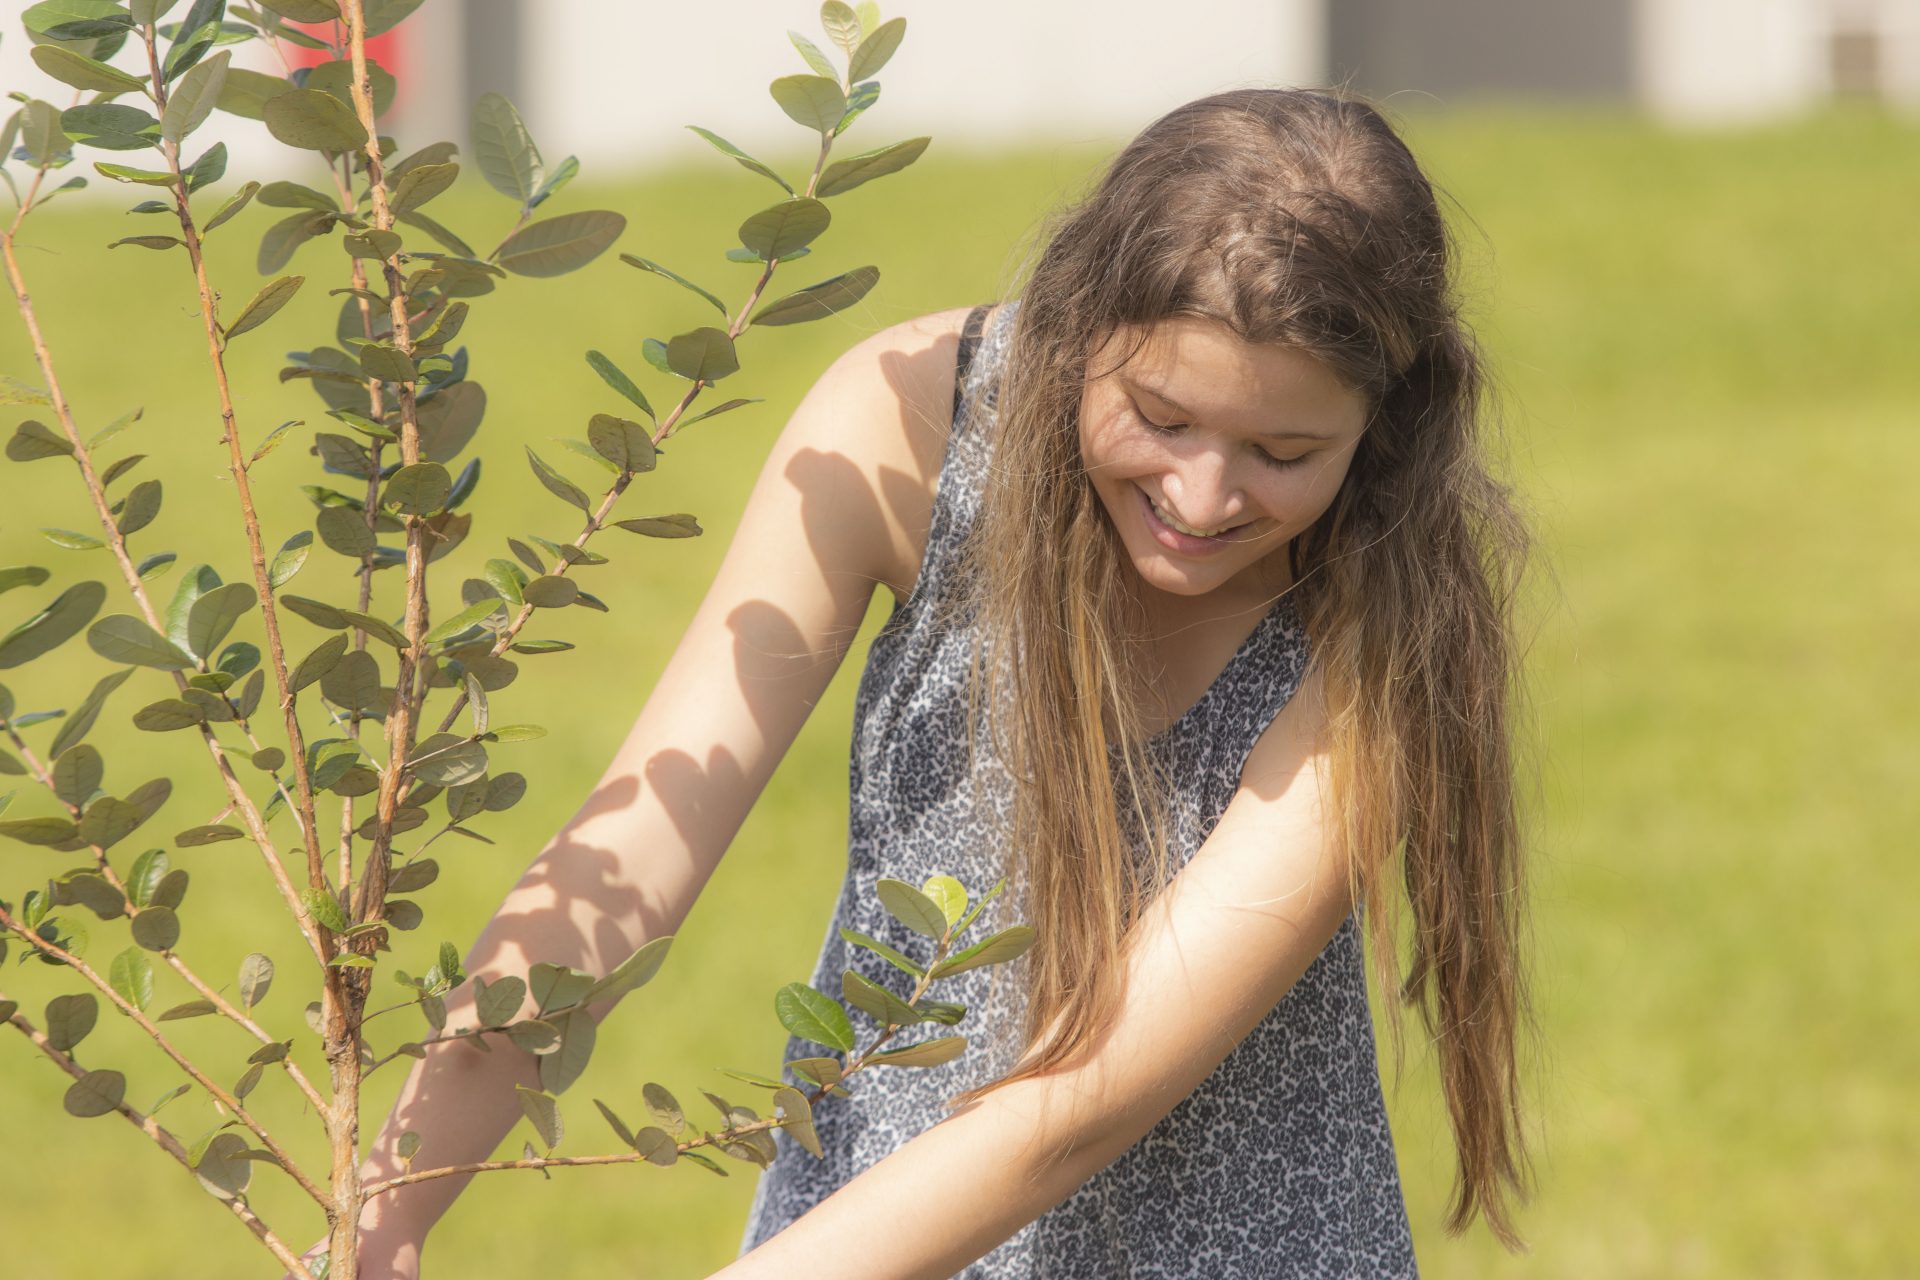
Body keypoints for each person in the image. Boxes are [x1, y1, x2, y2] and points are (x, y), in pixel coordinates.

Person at [343, 87, 1535, 1279]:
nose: (1203, 495)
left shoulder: (1386, 627)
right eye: (1161, 417)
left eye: (1282, 452)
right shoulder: (912, 425)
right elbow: (636, 847)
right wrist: (385, 1205)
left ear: (1379, 425)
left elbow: (1077, 1103)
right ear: (1082, 320)